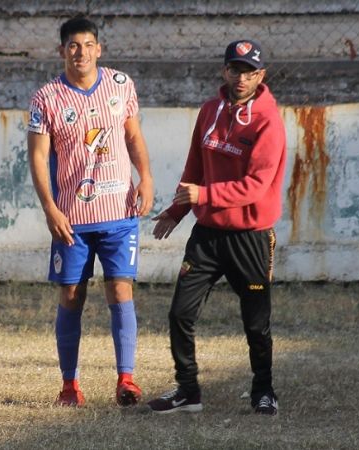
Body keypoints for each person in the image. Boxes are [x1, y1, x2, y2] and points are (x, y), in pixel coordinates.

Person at [147, 39, 286, 415]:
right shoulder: (210, 110)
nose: (241, 78)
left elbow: (256, 186)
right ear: (225, 71)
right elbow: (195, 166)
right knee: (180, 313)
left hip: (250, 236)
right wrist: (177, 211)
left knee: (256, 323)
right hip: (207, 236)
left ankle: (263, 390)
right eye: (235, 69)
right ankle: (188, 390)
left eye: (249, 72)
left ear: (261, 75)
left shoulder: (268, 121)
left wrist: (204, 195)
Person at [27, 16, 154, 408]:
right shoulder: (46, 98)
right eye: (72, 45)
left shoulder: (121, 85)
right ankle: (70, 385)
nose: (80, 52)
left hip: (119, 211)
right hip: (72, 218)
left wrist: (146, 177)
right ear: (61, 51)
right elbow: (37, 156)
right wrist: (50, 208)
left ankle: (126, 380)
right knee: (71, 294)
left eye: (87, 45)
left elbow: (133, 136)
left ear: (99, 49)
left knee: (120, 289)